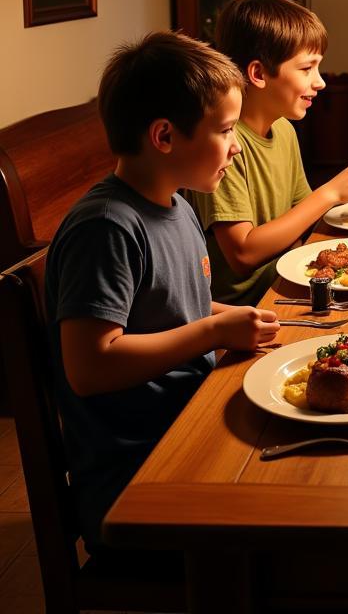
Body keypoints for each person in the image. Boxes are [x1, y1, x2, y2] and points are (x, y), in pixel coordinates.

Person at [45, 31, 281, 558]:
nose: (237, 145)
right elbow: (90, 365)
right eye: (224, 130)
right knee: (306, 529)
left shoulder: (175, 204)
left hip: (187, 430)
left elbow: (172, 305)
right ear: (165, 136)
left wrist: (233, 315)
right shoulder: (107, 227)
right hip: (137, 478)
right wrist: (216, 329)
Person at [188, 0, 348, 306]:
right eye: (307, 69)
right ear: (259, 74)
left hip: (290, 281)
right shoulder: (225, 145)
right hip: (248, 306)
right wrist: (331, 193)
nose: (319, 82)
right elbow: (243, 253)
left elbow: (303, 215)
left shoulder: (284, 130)